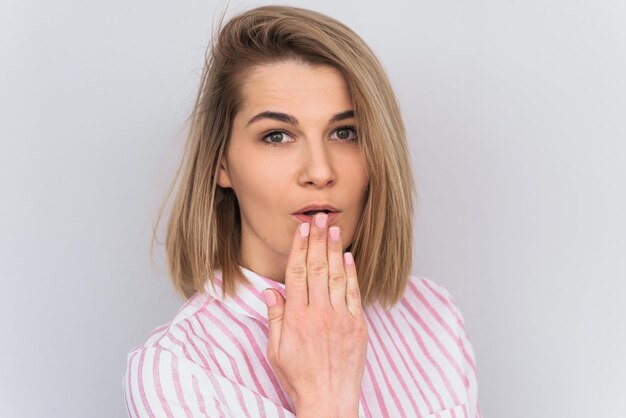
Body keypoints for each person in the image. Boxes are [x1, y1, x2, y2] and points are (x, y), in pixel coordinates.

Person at [124, 5, 480, 417]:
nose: (320, 171)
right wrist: (325, 397)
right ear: (221, 163)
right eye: (277, 136)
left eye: (344, 132)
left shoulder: (430, 315)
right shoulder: (179, 372)